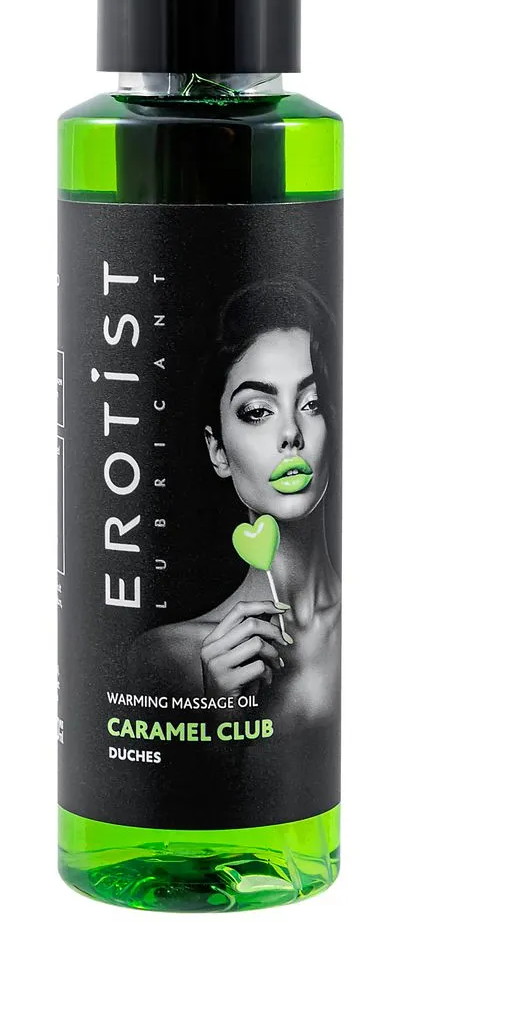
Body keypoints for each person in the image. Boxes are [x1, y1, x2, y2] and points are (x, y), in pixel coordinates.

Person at [133, 279, 340, 733]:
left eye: (313, 403)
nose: (291, 432)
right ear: (218, 452)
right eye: (258, 411)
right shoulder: (165, 658)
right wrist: (220, 722)